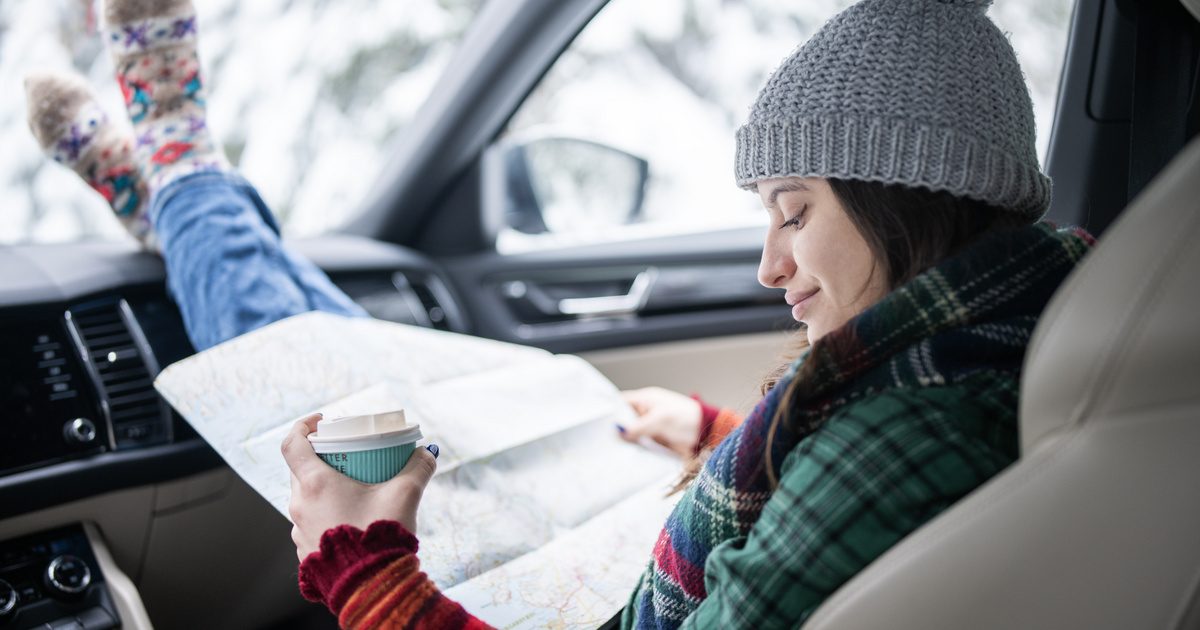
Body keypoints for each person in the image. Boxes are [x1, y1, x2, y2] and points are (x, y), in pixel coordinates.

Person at [23, 0, 1095, 627]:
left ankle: (175, 167)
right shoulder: (974, 354)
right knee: (345, 371)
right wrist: (720, 438)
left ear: (902, 198)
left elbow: (843, 513)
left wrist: (363, 565)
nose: (770, 265)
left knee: (312, 378)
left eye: (795, 211)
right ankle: (175, 194)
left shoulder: (905, 434)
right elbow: (811, 535)